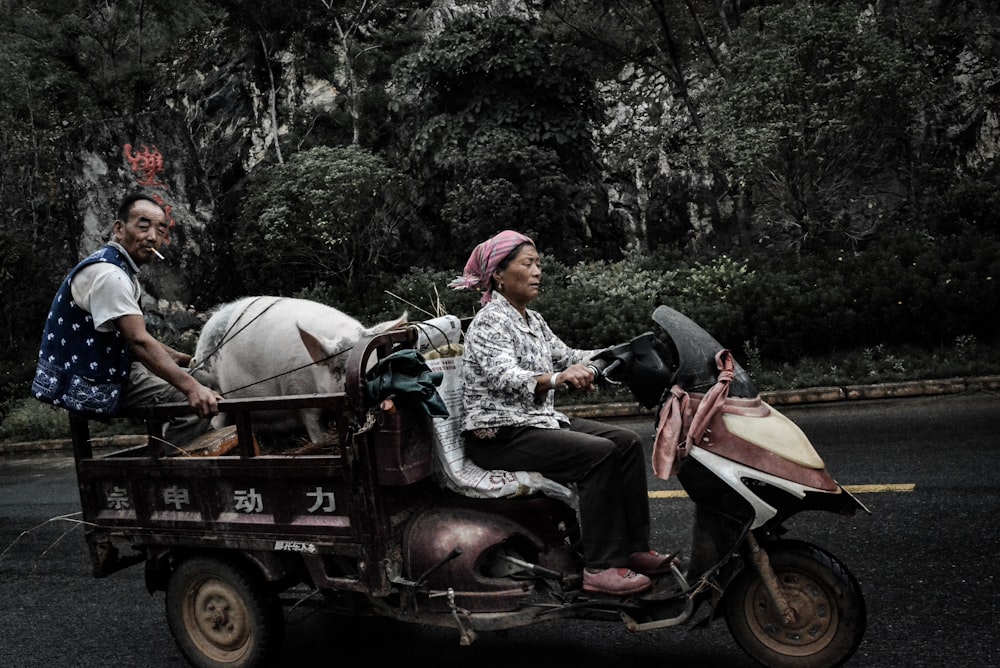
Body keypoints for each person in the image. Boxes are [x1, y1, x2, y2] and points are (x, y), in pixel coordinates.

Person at [450, 230, 674, 597]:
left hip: (534, 422)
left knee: (627, 442)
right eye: (528, 264)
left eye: (538, 263)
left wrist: (616, 353)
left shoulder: (533, 320)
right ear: (499, 276)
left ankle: (634, 549)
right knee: (598, 455)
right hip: (498, 434)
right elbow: (504, 375)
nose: (538, 271)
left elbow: (568, 355)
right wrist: (557, 379)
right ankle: (600, 567)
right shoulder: (489, 321)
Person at [32, 192, 222, 446]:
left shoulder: (119, 268)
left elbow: (133, 336)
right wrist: (191, 388)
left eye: (160, 230)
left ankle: (169, 451)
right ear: (119, 229)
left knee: (206, 380)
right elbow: (139, 342)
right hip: (94, 379)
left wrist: (188, 360)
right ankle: (164, 473)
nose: (153, 237)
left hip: (113, 367)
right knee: (190, 402)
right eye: (143, 226)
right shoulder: (111, 275)